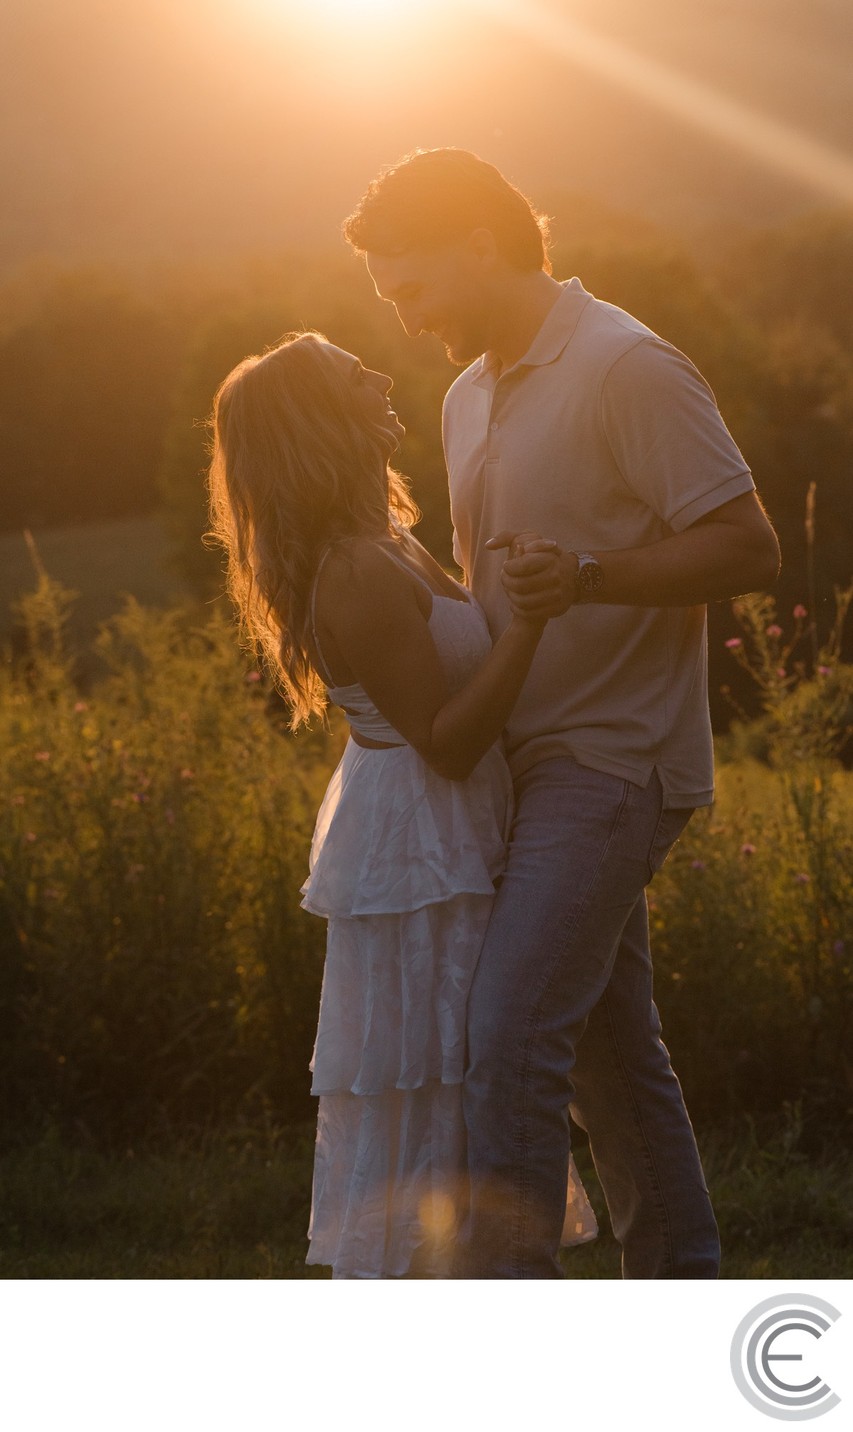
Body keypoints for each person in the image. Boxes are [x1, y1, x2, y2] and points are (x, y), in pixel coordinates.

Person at [342, 147, 782, 1279]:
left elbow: (749, 545)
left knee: (505, 1043)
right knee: (609, 1060)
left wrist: (590, 575)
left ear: (480, 246)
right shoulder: (466, 391)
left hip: (609, 760)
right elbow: (485, 588)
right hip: (513, 772)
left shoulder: (626, 365)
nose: (408, 318)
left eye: (415, 288)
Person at [205, 330, 598, 1278]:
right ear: (318, 421)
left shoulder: (388, 540)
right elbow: (452, 743)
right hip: (420, 842)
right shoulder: (355, 572)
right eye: (354, 375)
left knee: (471, 1069)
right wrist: (532, 622)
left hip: (445, 825)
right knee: (439, 1074)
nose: (381, 375)